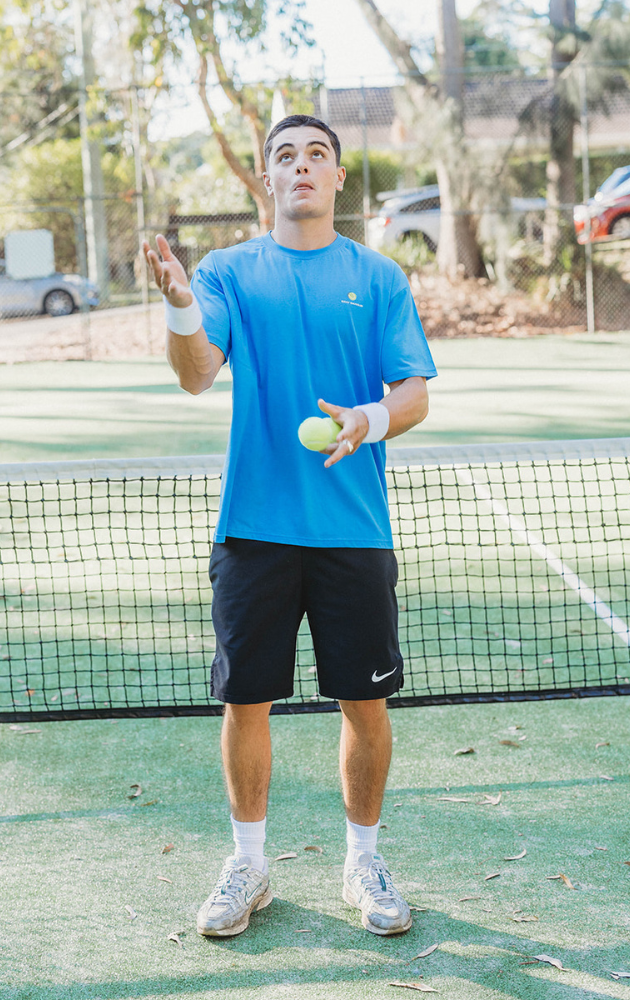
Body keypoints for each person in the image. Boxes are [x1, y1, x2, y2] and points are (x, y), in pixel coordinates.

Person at [143, 114, 437, 940]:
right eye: (285, 156)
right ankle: (248, 864)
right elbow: (198, 374)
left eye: (317, 155)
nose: (301, 166)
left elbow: (414, 392)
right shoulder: (228, 271)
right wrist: (177, 309)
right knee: (246, 702)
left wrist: (370, 419)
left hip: (354, 529)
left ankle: (364, 860)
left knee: (365, 704)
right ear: (265, 179)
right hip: (254, 530)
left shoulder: (377, 277)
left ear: (339, 178)